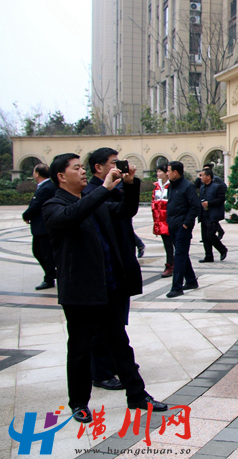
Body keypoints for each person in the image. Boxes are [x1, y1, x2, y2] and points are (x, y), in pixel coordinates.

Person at [42, 153, 167, 423]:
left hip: (108, 286)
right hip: (80, 292)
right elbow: (72, 215)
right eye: (76, 168)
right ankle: (79, 403)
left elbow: (124, 211)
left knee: (120, 344)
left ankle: (137, 395)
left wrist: (130, 185)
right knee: (80, 349)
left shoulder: (92, 202)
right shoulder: (54, 205)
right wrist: (104, 189)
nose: (82, 171)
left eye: (82, 167)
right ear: (61, 177)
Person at [84, 147, 144, 391]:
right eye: (113, 163)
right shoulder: (91, 194)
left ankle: (117, 361)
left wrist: (129, 184)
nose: (118, 166)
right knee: (102, 325)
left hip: (120, 261)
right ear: (98, 167)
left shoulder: (115, 189)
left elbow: (128, 210)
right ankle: (101, 372)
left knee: (117, 320)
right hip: (106, 266)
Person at [166, 161, 202, 298]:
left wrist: (186, 223)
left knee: (179, 255)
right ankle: (191, 281)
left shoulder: (187, 186)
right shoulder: (171, 186)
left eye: (169, 171)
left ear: (175, 172)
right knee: (182, 254)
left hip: (182, 227)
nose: (167, 173)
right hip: (173, 225)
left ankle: (177, 287)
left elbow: (195, 206)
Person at [22, 164, 58, 290]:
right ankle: (52, 273)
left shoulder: (47, 187)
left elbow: (37, 205)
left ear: (37, 173)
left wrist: (26, 215)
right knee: (39, 252)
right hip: (40, 227)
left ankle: (50, 278)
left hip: (44, 227)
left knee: (45, 254)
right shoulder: (45, 186)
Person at [198, 168, 228, 262]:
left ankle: (222, 249)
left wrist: (209, 203)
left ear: (208, 176)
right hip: (204, 214)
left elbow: (221, 199)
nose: (200, 177)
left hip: (213, 214)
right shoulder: (202, 187)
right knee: (204, 237)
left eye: (202, 175)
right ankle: (208, 256)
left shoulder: (217, 187)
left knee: (210, 235)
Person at [152, 164, 173, 278]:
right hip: (161, 221)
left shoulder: (171, 186)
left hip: (170, 220)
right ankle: (170, 264)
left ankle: (173, 264)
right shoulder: (157, 186)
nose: (158, 174)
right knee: (167, 244)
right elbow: (154, 203)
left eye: (160, 171)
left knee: (174, 244)